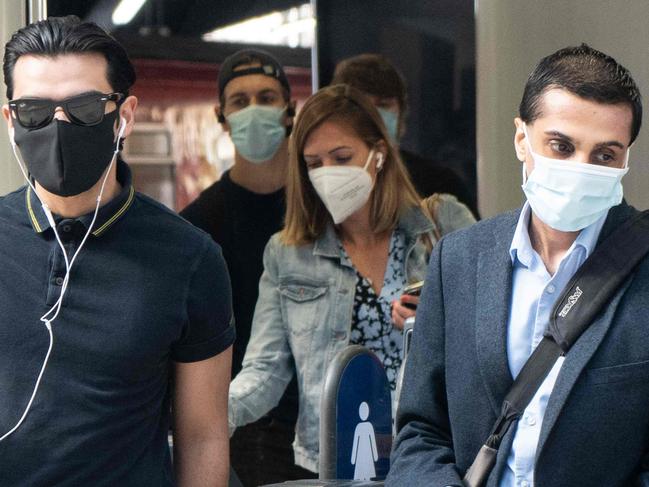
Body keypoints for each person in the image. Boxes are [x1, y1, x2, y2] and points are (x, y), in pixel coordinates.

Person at [388, 44, 649, 487]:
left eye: (605, 155)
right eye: (560, 146)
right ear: (520, 140)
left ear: (626, 158)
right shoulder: (459, 259)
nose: (580, 168)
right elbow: (421, 430)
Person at [0, 17, 234, 486]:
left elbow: (202, 435)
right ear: (10, 120)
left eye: (84, 108)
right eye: (34, 111)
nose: (58, 125)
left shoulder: (188, 257)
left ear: (124, 115)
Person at [229, 84, 475, 474]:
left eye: (342, 157)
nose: (328, 173)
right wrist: (207, 415)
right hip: (334, 464)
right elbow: (265, 371)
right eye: (314, 164)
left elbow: (492, 337)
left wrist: (433, 323)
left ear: (378, 154)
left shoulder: (442, 224)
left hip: (434, 459)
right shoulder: (288, 253)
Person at [179, 49, 304, 485]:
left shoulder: (326, 204)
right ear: (222, 116)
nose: (254, 109)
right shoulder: (199, 225)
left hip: (328, 415)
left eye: (267, 97)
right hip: (247, 424)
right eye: (240, 100)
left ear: (289, 111)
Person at [331, 53, 478, 217]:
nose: (374, 115)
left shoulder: (440, 184)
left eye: (383, 105)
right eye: (362, 105)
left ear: (401, 112)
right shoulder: (326, 185)